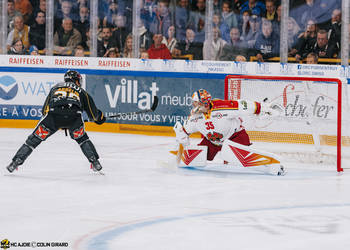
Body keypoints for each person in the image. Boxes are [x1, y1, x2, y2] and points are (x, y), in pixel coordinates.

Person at [6, 70, 106, 173]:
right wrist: (101, 118)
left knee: (33, 140)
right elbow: (94, 115)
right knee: (82, 139)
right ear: (76, 80)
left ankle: (15, 162)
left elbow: (44, 110)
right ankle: (95, 162)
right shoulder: (82, 92)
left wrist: (57, 122)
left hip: (53, 117)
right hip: (74, 118)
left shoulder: (55, 87)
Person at [173, 89, 285, 175]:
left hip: (235, 136)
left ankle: (270, 166)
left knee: (239, 160)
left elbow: (243, 105)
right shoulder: (194, 118)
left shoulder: (222, 107)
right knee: (195, 158)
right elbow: (184, 132)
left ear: (204, 103)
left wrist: (264, 108)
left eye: (196, 103)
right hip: (212, 142)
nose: (194, 106)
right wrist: (182, 143)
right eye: (194, 103)